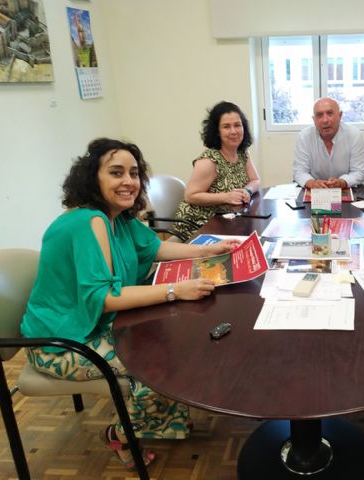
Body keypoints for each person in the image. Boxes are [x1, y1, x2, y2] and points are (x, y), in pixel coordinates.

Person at [20, 138, 240, 469]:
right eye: (116, 172)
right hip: (62, 341)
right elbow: (105, 297)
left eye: (134, 173)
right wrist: (174, 290)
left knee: (169, 340)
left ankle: (161, 419)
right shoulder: (87, 222)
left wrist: (208, 250)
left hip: (94, 323)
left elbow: (156, 249)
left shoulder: (118, 216)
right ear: (93, 177)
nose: (128, 181)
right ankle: (120, 434)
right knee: (158, 366)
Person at [174, 101, 261, 239]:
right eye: (226, 126)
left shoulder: (242, 152)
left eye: (237, 125)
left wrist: (247, 190)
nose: (233, 131)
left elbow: (255, 180)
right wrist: (226, 197)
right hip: (199, 226)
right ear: (217, 131)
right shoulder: (209, 161)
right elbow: (190, 196)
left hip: (227, 222)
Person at [293, 97, 364, 189]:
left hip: (345, 190)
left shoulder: (354, 135)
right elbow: (299, 171)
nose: (325, 120)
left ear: (340, 116)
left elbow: (360, 172)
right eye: (319, 115)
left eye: (330, 113)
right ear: (314, 119)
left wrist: (343, 182)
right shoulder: (304, 137)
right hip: (315, 193)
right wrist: (311, 182)